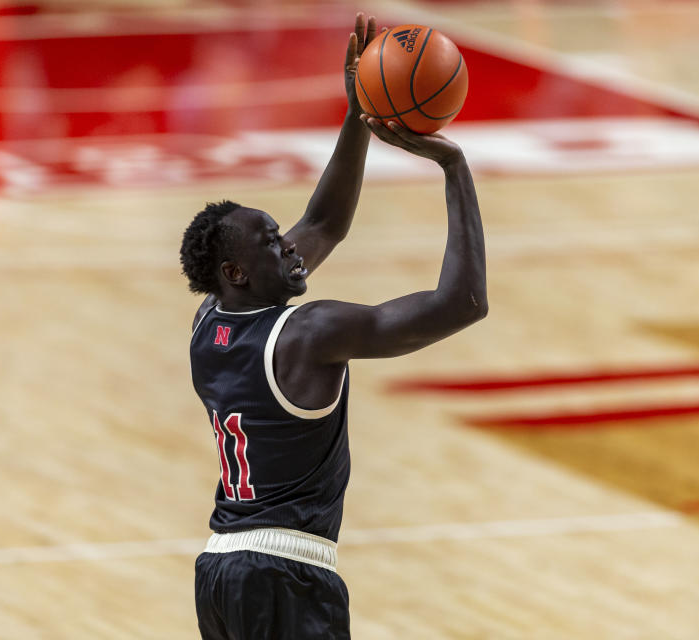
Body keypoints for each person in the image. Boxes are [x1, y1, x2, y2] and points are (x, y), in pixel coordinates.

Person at [179, 12, 487, 640]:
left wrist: (358, 116)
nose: (292, 247)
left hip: (218, 571)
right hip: (284, 574)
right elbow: (464, 302)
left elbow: (323, 224)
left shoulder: (209, 318)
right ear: (238, 271)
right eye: (274, 243)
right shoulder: (307, 335)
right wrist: (454, 168)